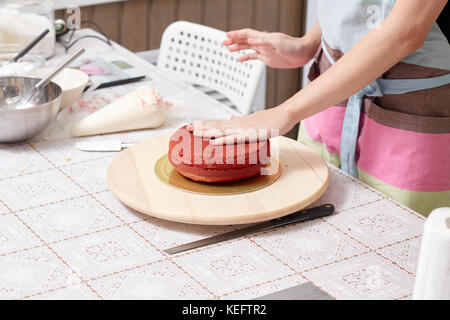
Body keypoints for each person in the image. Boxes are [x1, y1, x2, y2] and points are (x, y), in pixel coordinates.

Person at [189, 0, 450, 216]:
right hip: (330, 98)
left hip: (411, 113)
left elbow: (405, 31)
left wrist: (284, 112)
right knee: (312, 219)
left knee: (399, 246)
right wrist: (308, 43)